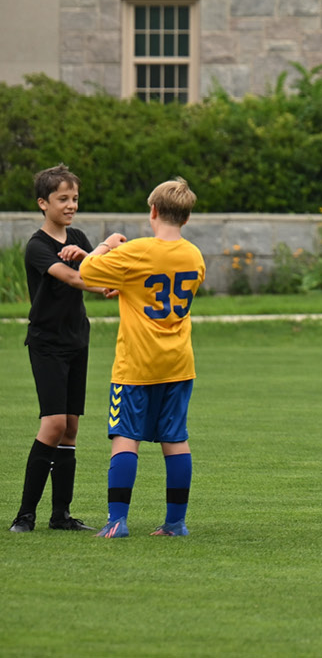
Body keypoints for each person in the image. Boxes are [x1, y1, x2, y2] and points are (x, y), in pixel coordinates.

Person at [72, 178, 205, 538]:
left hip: (137, 364)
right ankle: (175, 523)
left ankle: (117, 520)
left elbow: (86, 272)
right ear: (187, 217)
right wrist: (128, 287)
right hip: (178, 363)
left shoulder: (138, 251)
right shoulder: (194, 255)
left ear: (153, 211)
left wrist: (105, 244)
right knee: (175, 439)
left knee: (124, 437)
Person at [10, 165, 125, 533]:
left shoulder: (76, 235)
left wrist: (111, 284)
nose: (71, 205)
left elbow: (100, 271)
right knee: (54, 423)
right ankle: (24, 515)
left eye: (74, 198)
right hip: (47, 343)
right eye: (63, 199)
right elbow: (76, 276)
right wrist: (101, 267)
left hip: (77, 339)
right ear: (43, 203)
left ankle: (60, 516)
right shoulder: (38, 247)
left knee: (71, 428)